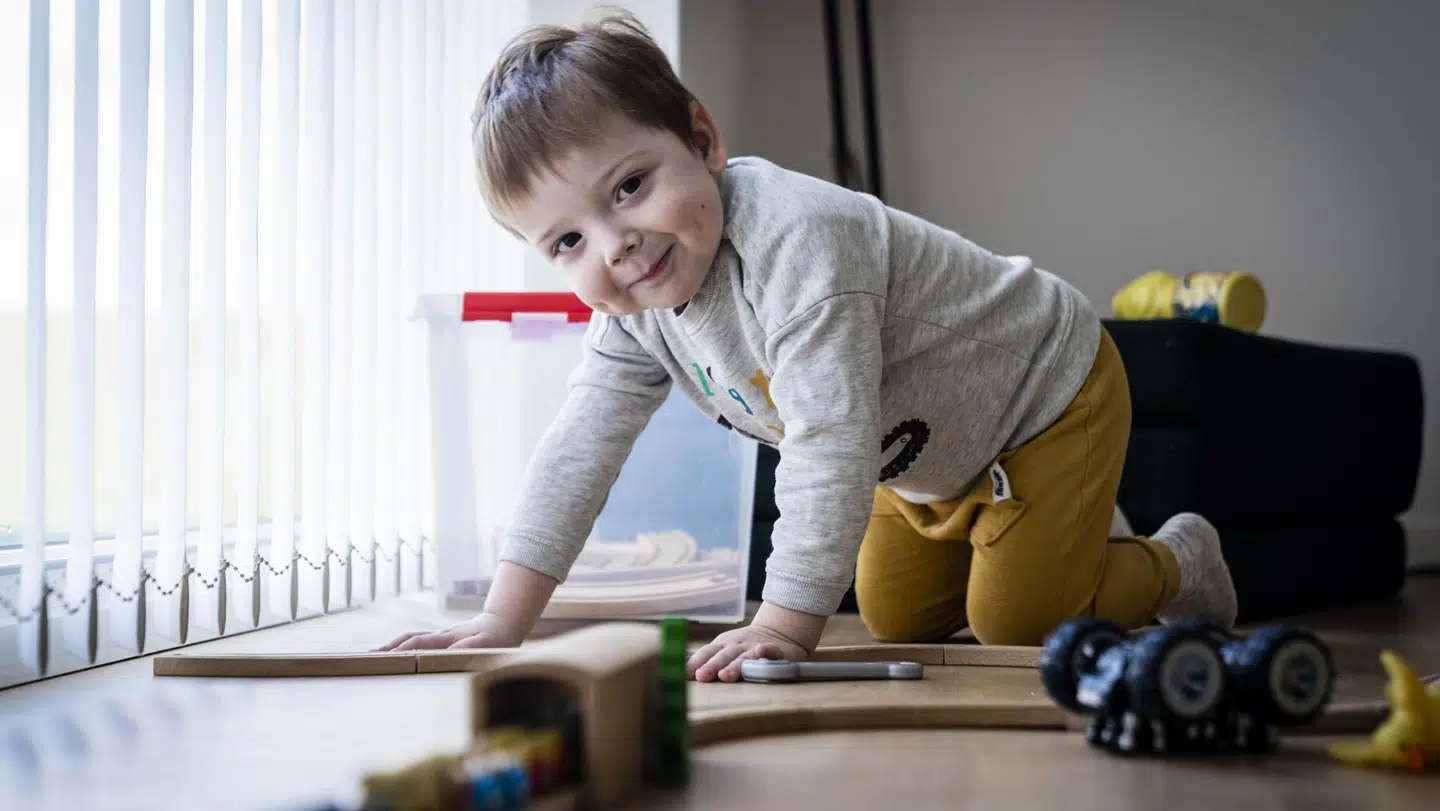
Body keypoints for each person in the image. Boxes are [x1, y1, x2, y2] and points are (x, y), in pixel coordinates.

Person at [378, 11, 1237, 682]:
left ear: (703, 141)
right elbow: (577, 451)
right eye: (567, 241)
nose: (616, 247)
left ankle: (1177, 559)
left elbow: (827, 444)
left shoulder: (800, 242)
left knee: (1019, 625)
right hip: (920, 456)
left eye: (629, 186)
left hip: (1043, 392)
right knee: (895, 615)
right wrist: (503, 619)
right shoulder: (635, 312)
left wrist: (783, 624)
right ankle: (1028, 535)